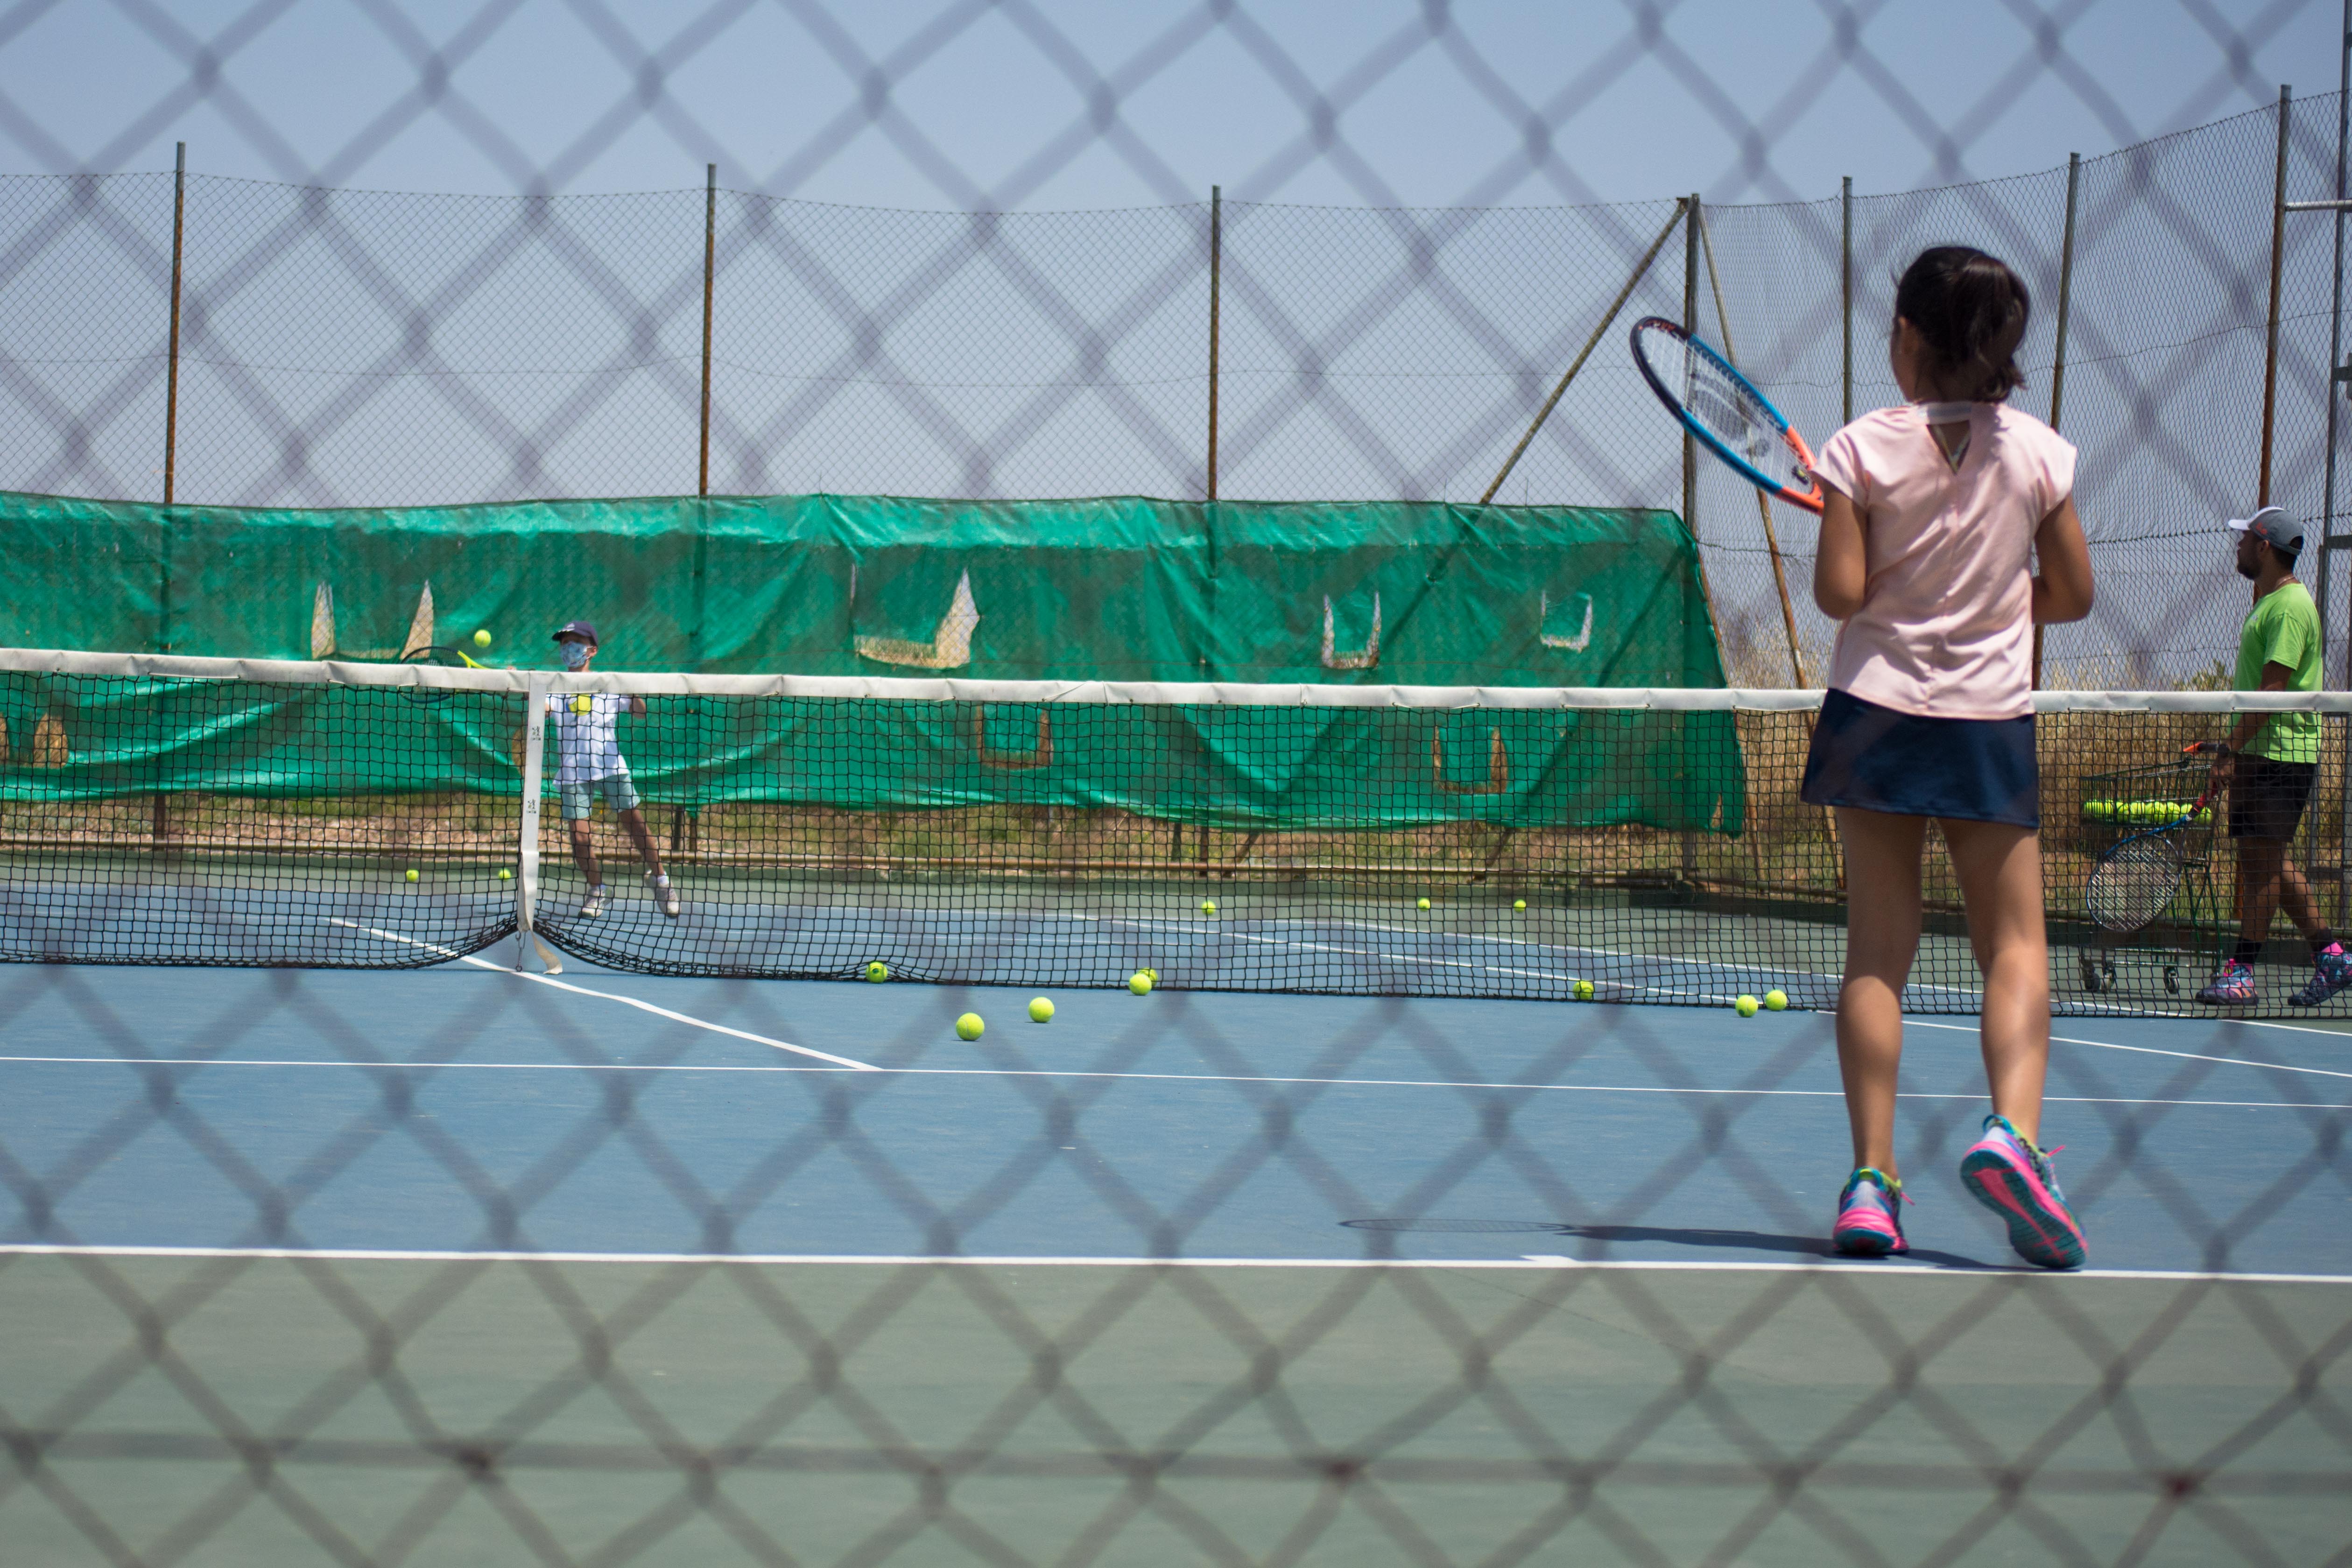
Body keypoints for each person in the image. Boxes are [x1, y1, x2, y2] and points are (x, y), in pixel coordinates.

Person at [1803, 245, 2096, 1270]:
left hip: (1872, 714)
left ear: (1905, 336)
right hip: (1986, 722)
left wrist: (1846, 525)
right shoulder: (2039, 454)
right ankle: (2011, 1133)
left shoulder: (1856, 450)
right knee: (2012, 946)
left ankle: (1869, 1184)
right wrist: (1993, 602)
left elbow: (1839, 595)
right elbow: (2071, 595)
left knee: (1875, 956)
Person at [2193, 506, 2341, 1006]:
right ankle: (2333, 957)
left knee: (2259, 867)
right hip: (2265, 753)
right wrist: (2235, 749)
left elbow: (2273, 692)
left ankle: (2241, 974)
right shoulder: (2270, 602)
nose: (2236, 546)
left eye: (2243, 539)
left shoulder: (2289, 607)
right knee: (2268, 862)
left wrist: (2229, 750)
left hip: (2280, 754)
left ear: (2263, 546)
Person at [548, 620, 679, 920]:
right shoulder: (553, 686)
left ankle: (661, 881)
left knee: (636, 824)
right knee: (579, 837)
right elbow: (540, 706)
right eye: (565, 644)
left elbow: (639, 712)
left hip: (610, 767)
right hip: (573, 773)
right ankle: (597, 891)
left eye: (576, 643)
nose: (569, 648)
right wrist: (517, 684)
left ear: (592, 650)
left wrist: (632, 692)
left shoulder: (609, 683)